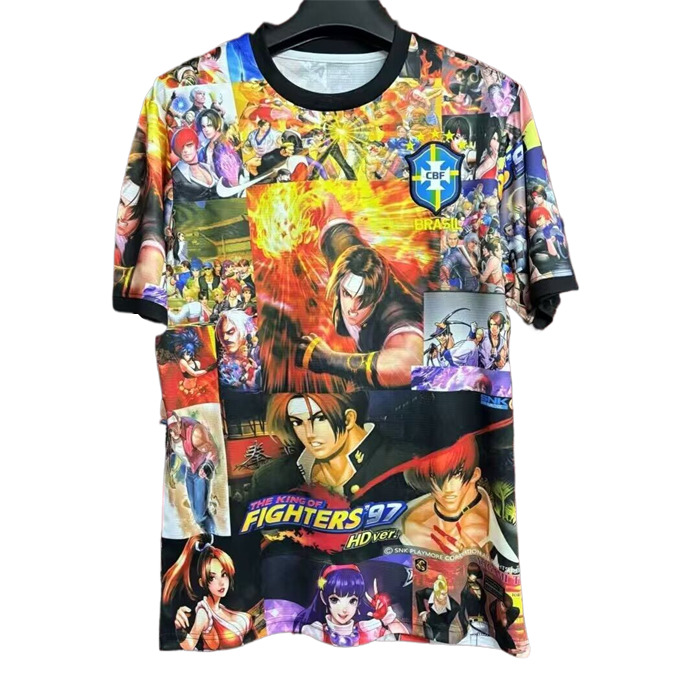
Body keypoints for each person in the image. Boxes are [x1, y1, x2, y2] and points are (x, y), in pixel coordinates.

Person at [296, 195, 423, 389]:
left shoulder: (396, 311)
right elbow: (327, 204)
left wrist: (329, 360)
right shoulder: (347, 259)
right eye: (347, 294)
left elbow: (410, 365)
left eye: (363, 299)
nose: (352, 309)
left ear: (377, 298)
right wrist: (307, 202)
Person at [399, 425, 519, 568]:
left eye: (456, 474)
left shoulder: (507, 525)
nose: (446, 488)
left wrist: (481, 563)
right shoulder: (410, 525)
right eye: (434, 476)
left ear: (475, 474)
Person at [162, 535, 253, 650]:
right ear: (202, 582)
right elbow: (189, 645)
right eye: (212, 578)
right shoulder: (204, 613)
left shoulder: (221, 608)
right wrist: (179, 629)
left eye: (224, 574)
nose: (221, 583)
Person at [293, 564, 408, 646]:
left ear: (358, 601)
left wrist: (388, 619)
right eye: (335, 599)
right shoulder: (315, 631)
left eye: (352, 600)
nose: (344, 609)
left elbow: (402, 641)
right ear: (324, 598)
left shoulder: (368, 629)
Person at [166, 412, 218, 534]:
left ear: (179, 423)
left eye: (175, 427)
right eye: (170, 430)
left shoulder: (195, 433)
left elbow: (212, 451)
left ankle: (212, 534)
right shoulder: (167, 437)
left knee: (200, 515)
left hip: (200, 471)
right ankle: (208, 534)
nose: (173, 433)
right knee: (196, 514)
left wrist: (208, 466)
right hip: (189, 471)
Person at [458, 562, 499, 647]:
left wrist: (488, 625)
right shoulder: (465, 591)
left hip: (483, 624)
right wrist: (466, 628)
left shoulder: (479, 588)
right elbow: (461, 613)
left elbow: (482, 607)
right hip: (473, 625)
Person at [415, 575, 460, 643]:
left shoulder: (454, 606)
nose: (444, 596)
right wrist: (423, 612)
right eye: (442, 594)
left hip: (442, 628)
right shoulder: (429, 593)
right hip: (429, 623)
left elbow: (448, 622)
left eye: (445, 593)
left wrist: (445, 625)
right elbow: (418, 594)